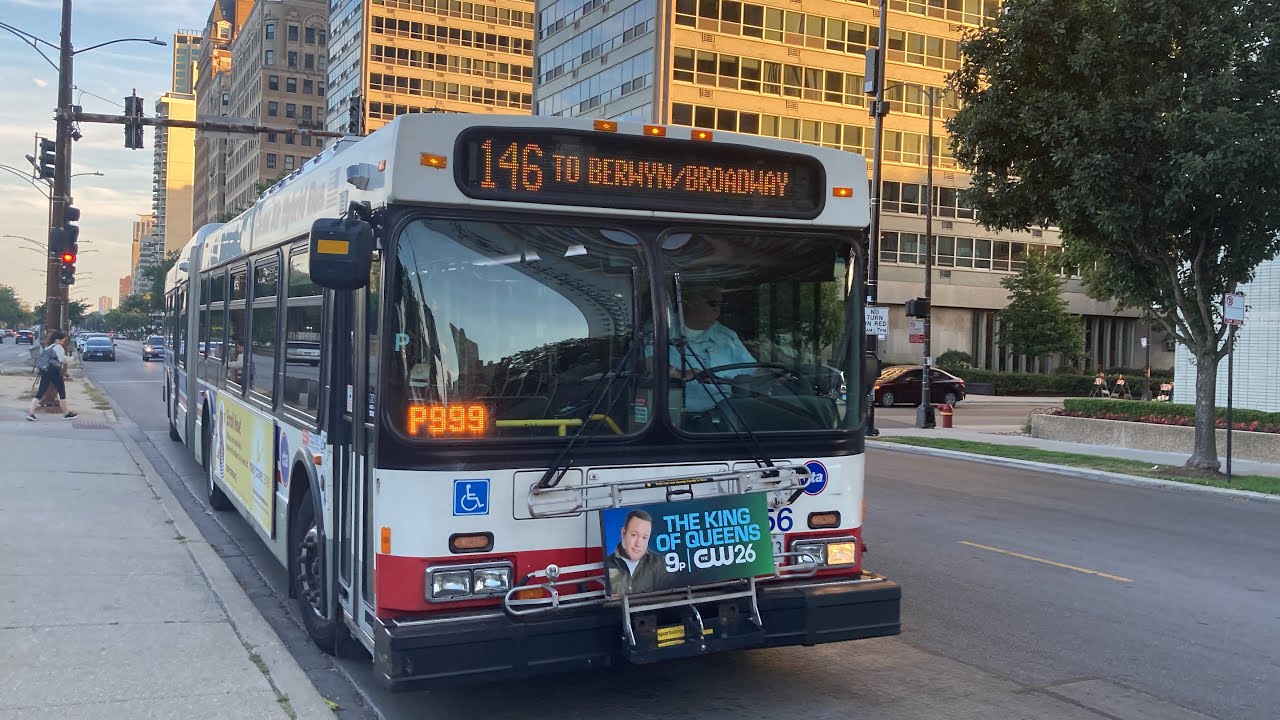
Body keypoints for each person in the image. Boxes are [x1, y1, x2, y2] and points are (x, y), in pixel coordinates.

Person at [670, 287, 756, 413]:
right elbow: (648, 365)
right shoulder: (663, 329)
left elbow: (752, 370)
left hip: (725, 415)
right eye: (712, 304)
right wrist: (677, 373)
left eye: (721, 305)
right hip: (676, 417)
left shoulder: (727, 336)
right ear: (692, 301)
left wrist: (773, 374)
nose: (717, 311)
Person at [605, 509, 668, 595]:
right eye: (634, 535)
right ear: (623, 533)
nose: (638, 543)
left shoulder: (660, 563)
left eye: (644, 537)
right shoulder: (607, 564)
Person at [26, 330, 77, 421]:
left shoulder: (48, 347)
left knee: (40, 392)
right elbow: (61, 359)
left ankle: (31, 413)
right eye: (63, 340)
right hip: (54, 372)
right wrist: (70, 359)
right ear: (57, 340)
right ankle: (66, 413)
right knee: (62, 392)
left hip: (45, 371)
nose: (63, 342)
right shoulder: (58, 347)